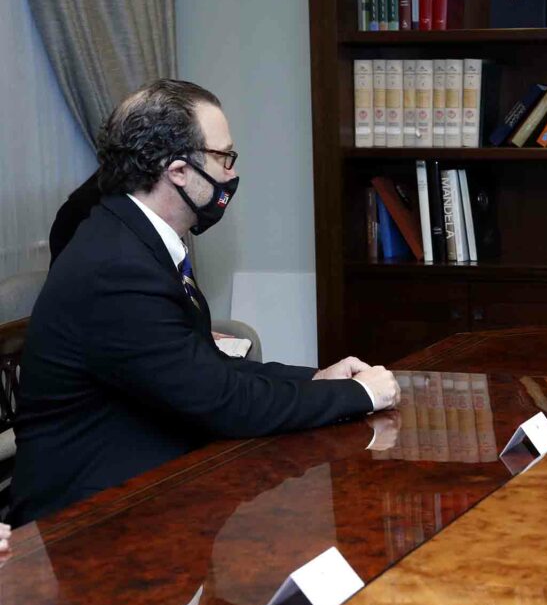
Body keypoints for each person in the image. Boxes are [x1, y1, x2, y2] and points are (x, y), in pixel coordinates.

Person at [10, 80, 400, 526]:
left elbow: (206, 366)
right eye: (223, 157)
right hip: (87, 523)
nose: (231, 174)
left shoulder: (134, 239)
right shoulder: (117, 266)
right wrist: (356, 395)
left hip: (148, 490)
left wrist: (316, 378)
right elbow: (222, 401)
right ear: (178, 171)